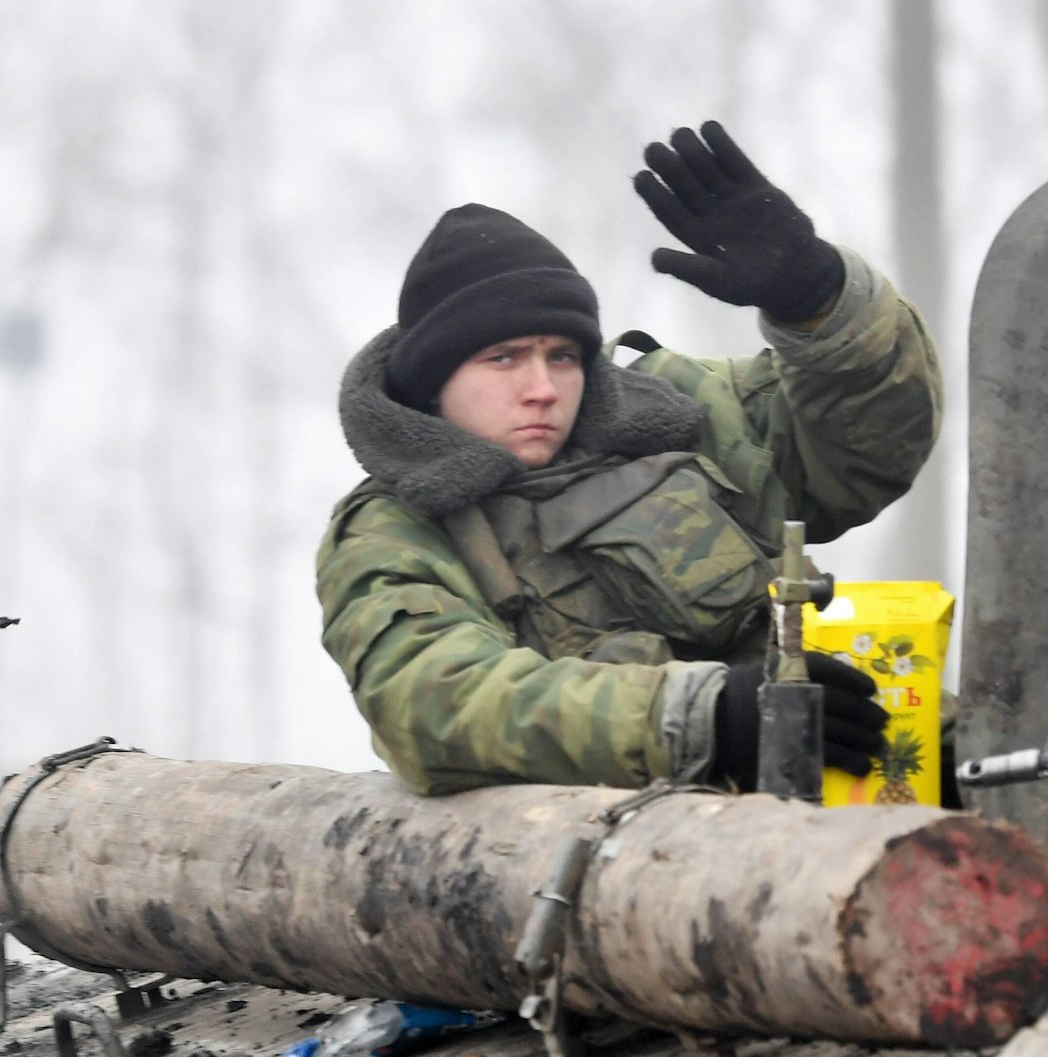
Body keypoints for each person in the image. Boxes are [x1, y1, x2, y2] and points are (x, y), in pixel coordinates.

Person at [316, 121, 941, 795]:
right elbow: (435, 705)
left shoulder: (676, 414)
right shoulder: (396, 527)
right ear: (434, 381)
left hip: (888, 773)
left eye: (562, 355)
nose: (542, 389)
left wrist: (818, 301)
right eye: (502, 359)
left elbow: (869, 453)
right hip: (658, 859)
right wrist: (705, 716)